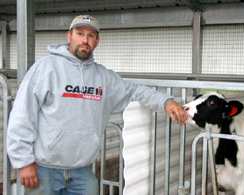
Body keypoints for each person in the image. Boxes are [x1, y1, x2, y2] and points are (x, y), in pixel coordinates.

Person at [7, 15, 187, 194]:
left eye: (91, 36)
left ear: (97, 41)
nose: (85, 40)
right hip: (44, 169)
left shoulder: (104, 78)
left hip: (82, 170)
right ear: (69, 36)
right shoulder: (46, 68)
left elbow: (135, 90)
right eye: (80, 33)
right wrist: (23, 162)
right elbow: (23, 114)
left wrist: (166, 101)